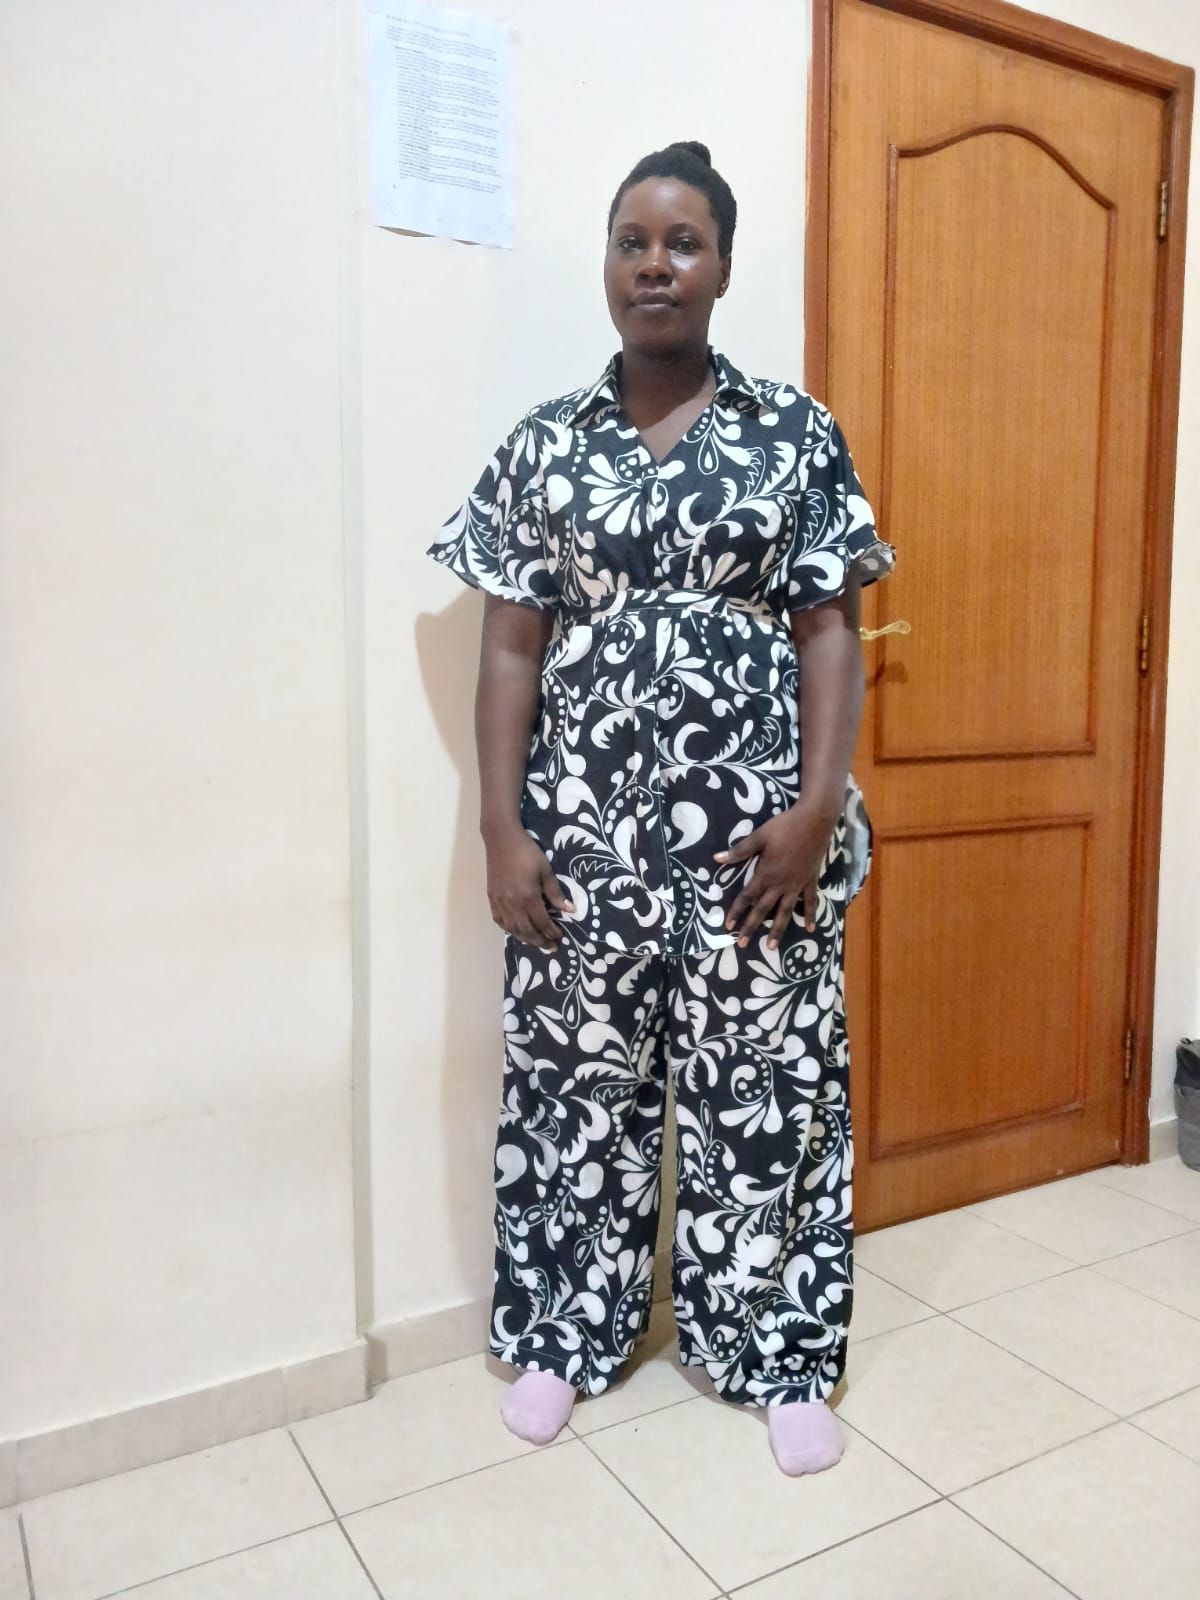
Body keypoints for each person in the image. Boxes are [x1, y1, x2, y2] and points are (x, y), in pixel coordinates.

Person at [427, 140, 894, 1476]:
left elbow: (830, 632)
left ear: (724, 267)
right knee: (577, 1096)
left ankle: (777, 1353)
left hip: (760, 851)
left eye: (683, 242)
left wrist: (816, 809)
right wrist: (501, 827)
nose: (654, 264)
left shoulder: (794, 434)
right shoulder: (546, 442)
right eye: (632, 240)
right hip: (583, 845)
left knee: (766, 1096)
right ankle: (565, 1338)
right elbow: (508, 646)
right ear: (609, 263)